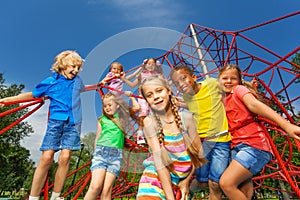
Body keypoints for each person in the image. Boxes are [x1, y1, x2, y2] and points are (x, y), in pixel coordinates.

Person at [0, 50, 85, 200]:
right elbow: (31, 95)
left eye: (78, 67)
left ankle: (56, 196)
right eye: (73, 66)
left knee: (65, 158)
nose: (76, 70)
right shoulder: (50, 82)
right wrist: (7, 100)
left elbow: (85, 88)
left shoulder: (78, 81)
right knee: (47, 157)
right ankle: (33, 197)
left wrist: (100, 84)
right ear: (63, 65)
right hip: (56, 122)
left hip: (73, 123)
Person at [217, 64, 300, 200]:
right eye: (224, 78)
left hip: (254, 145)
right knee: (243, 189)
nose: (228, 81)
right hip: (237, 146)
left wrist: (286, 125)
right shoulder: (222, 101)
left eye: (233, 78)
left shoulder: (238, 90)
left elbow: (254, 104)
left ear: (239, 81)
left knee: (227, 183)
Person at [136, 75, 207, 200]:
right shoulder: (149, 122)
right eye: (149, 95)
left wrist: (186, 180)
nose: (156, 97)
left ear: (168, 90)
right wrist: (170, 198)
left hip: (181, 182)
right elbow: (159, 164)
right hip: (155, 179)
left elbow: (199, 155)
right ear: (147, 101)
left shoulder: (187, 119)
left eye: (159, 91)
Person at [170, 65, 231, 199]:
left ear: (194, 77)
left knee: (215, 182)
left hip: (221, 140)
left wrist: (248, 87)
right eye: (176, 83)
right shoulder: (187, 97)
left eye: (183, 78)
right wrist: (180, 104)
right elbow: (195, 105)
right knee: (202, 182)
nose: (180, 84)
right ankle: (188, 193)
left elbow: (229, 87)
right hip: (202, 144)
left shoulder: (211, 84)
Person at [84, 91, 139, 200]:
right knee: (96, 186)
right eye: (105, 106)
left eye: (110, 105)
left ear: (117, 105)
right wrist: (95, 154)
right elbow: (97, 137)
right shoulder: (102, 120)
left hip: (116, 156)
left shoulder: (122, 118)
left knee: (107, 190)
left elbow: (136, 108)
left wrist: (131, 97)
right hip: (101, 153)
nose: (107, 108)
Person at [122, 58, 164, 145]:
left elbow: (163, 84)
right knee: (143, 113)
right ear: (145, 65)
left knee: (156, 115)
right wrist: (124, 79)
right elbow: (132, 85)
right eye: (149, 64)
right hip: (143, 97)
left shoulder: (157, 75)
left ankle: (158, 135)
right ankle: (140, 135)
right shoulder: (141, 74)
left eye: (153, 64)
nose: (151, 66)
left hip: (154, 97)